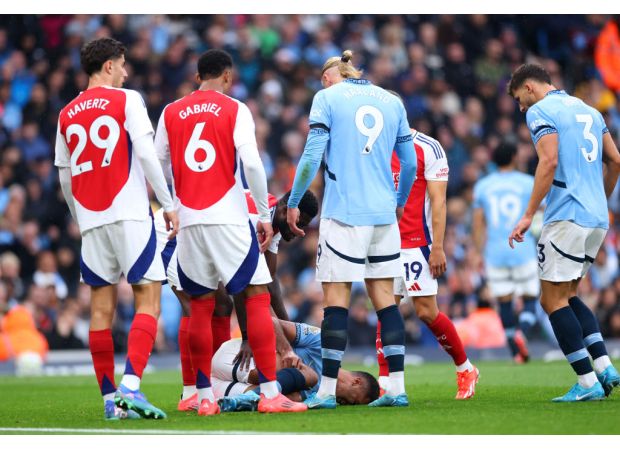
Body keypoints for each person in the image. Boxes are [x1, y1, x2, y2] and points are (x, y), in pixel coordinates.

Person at [155, 49, 306, 415]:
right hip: (226, 214)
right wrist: (264, 212)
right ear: (226, 76)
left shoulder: (170, 112)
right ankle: (271, 393)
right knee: (255, 295)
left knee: (201, 307)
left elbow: (158, 161)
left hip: (188, 219)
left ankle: (204, 397)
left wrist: (170, 204)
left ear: (197, 76)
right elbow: (251, 162)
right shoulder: (235, 108)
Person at [54, 38, 178, 420]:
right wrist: (169, 203)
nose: (126, 73)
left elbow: (64, 175)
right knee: (149, 299)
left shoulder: (66, 113)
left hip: (91, 221)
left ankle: (110, 401)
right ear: (108, 66)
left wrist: (81, 218)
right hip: (129, 213)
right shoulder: (128, 100)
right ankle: (131, 388)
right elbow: (145, 152)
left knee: (100, 310)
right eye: (122, 65)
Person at [286, 50, 417, 408]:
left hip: (344, 213)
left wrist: (295, 200)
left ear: (330, 77)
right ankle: (397, 389)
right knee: (386, 302)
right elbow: (409, 163)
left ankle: (327, 391)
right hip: (383, 215)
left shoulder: (326, 98)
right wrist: (399, 201)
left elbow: (312, 155)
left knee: (336, 303)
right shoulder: (392, 101)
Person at [507, 63, 620, 402]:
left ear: (529, 87)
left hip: (566, 214)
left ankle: (586, 383)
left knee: (551, 299)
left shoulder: (541, 110)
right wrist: (601, 199)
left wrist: (528, 215)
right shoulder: (588, 109)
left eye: (518, 98)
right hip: (596, 217)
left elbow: (549, 161)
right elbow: (615, 160)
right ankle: (604, 367)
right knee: (568, 295)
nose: (520, 107)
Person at [153, 189, 318, 412]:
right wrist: (247, 337)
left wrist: (288, 327)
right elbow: (244, 284)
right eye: (301, 222)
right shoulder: (255, 217)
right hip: (173, 232)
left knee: (222, 306)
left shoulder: (274, 223)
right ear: (285, 209)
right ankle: (192, 392)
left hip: (200, 228)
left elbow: (266, 282)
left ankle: (206, 385)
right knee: (196, 308)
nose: (301, 232)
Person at [376, 125, 479, 400]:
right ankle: (385, 381)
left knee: (426, 312)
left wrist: (438, 247)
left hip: (417, 243)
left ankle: (465, 368)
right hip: (384, 240)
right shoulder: (374, 146)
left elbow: (439, 201)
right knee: (385, 308)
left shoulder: (427, 147)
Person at [213, 317, 380, 411]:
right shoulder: (322, 345)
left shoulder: (319, 397)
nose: (344, 404)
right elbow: (269, 321)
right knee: (310, 376)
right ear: (356, 382)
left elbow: (289, 398)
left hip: (223, 385)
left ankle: (241, 400)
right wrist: (287, 351)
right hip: (239, 358)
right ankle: (252, 397)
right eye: (353, 402)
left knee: (283, 393)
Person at [472, 141, 539, 363]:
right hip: (523, 248)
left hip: (495, 251)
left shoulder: (483, 186)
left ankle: (515, 352)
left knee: (504, 302)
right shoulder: (528, 183)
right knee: (530, 297)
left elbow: (478, 223)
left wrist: (478, 252)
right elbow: (541, 212)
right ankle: (523, 333)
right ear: (513, 157)